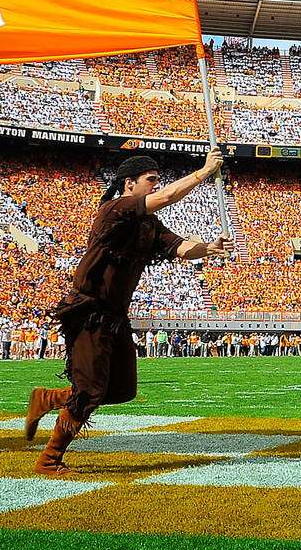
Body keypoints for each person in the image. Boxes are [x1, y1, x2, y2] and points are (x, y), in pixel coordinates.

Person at [25, 153, 229, 475]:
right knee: (91, 392)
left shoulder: (147, 224)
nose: (155, 186)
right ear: (129, 183)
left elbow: (177, 247)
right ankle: (49, 460)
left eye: (156, 181)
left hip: (117, 316)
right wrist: (204, 171)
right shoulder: (113, 210)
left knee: (122, 390)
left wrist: (209, 248)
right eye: (150, 180)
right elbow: (166, 197)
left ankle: (50, 398)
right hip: (90, 310)